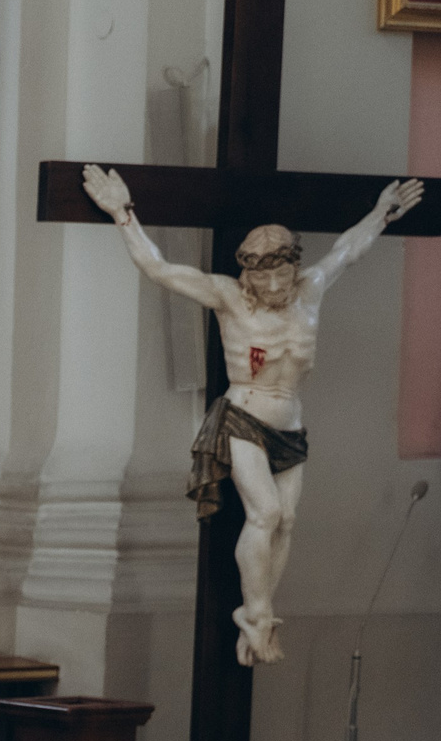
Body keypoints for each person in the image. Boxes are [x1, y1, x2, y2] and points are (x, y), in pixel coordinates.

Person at [78, 164, 424, 666]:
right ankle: (255, 615)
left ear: (293, 268)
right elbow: (160, 269)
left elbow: (349, 248)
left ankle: (261, 611)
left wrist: (381, 211)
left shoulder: (311, 289)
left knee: (287, 520)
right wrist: (122, 212)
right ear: (249, 273)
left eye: (283, 276)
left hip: (290, 424)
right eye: (265, 278)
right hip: (242, 416)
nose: (276, 287)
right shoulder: (229, 298)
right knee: (264, 512)